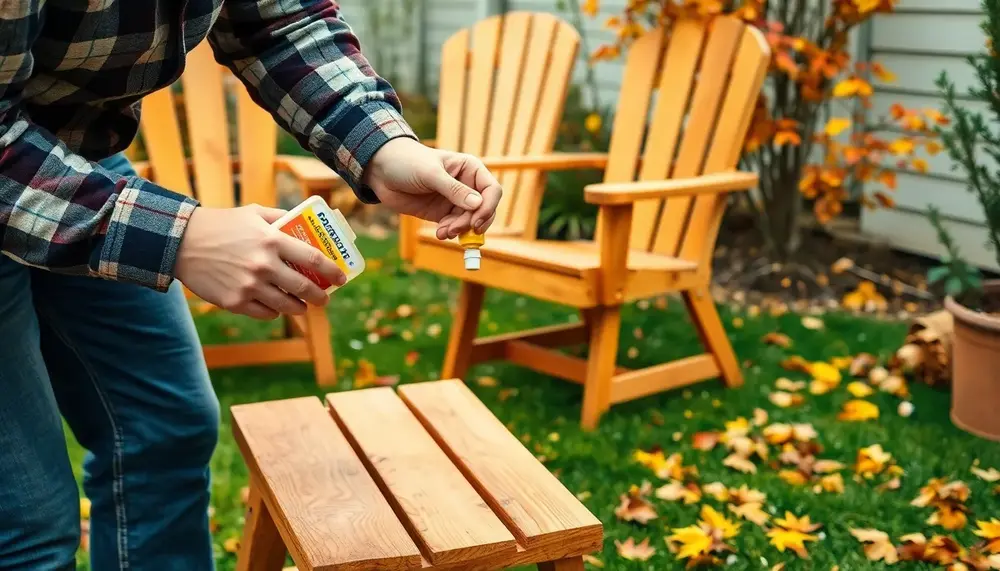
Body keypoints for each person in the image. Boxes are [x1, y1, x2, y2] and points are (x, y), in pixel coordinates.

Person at [0, 1, 501, 570]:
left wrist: (385, 148)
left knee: (166, 429)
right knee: (27, 527)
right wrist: (180, 238)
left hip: (77, 158)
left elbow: (280, 21)